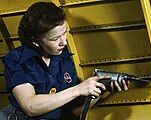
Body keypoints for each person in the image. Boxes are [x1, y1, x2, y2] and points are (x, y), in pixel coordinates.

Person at [0, 2, 129, 120]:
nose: (64, 42)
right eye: (55, 38)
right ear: (35, 41)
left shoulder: (64, 59)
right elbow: (30, 107)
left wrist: (100, 90)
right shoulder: (16, 59)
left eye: (64, 33)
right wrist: (78, 89)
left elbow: (72, 112)